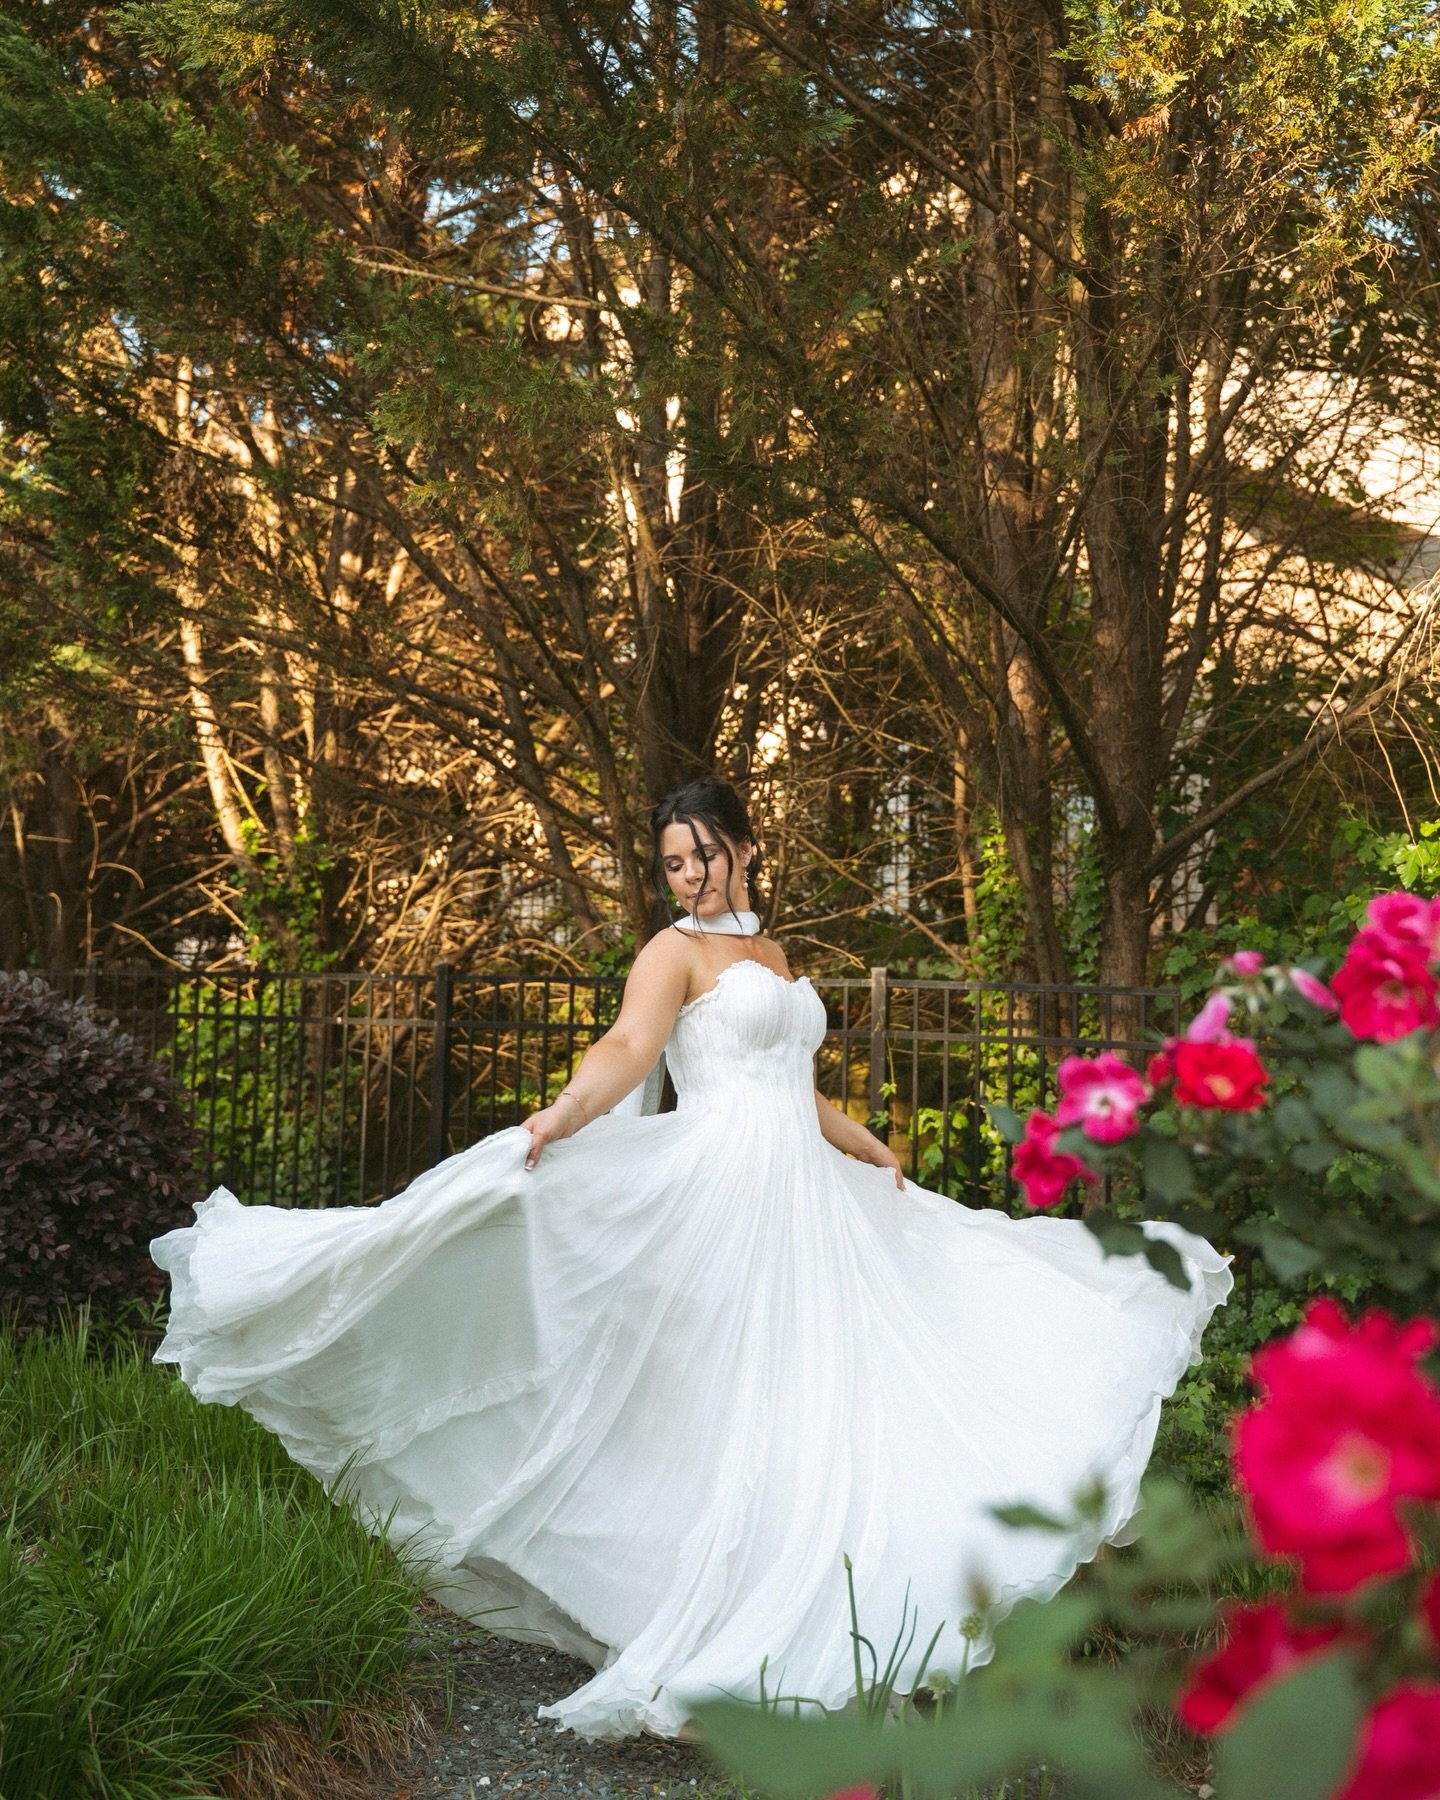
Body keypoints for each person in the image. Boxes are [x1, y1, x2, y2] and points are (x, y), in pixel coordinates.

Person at [150, 777, 1231, 1743]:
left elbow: (783, 1077)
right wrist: (565, 1113)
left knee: (838, 1389)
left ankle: (834, 1619)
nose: (692, 874)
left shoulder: (770, 954)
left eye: (705, 853)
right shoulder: (671, 952)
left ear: (746, 847)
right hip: (719, 1192)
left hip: (804, 1196)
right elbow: (630, 1048)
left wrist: (853, 1136)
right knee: (725, 1398)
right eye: (673, 860)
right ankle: (710, 1613)